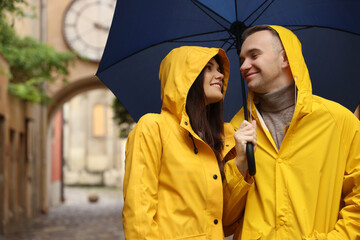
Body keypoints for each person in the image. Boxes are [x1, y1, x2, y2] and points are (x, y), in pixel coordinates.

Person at [227, 25, 360, 239]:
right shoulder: (234, 129)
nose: (244, 66)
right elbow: (225, 220)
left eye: (254, 55)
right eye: (241, 59)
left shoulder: (338, 120)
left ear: (285, 59)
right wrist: (240, 168)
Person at [122, 46, 256, 239]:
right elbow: (138, 213)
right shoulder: (153, 128)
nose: (219, 75)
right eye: (208, 68)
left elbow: (225, 220)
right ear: (184, 76)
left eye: (219, 69)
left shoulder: (223, 137)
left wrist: (241, 161)